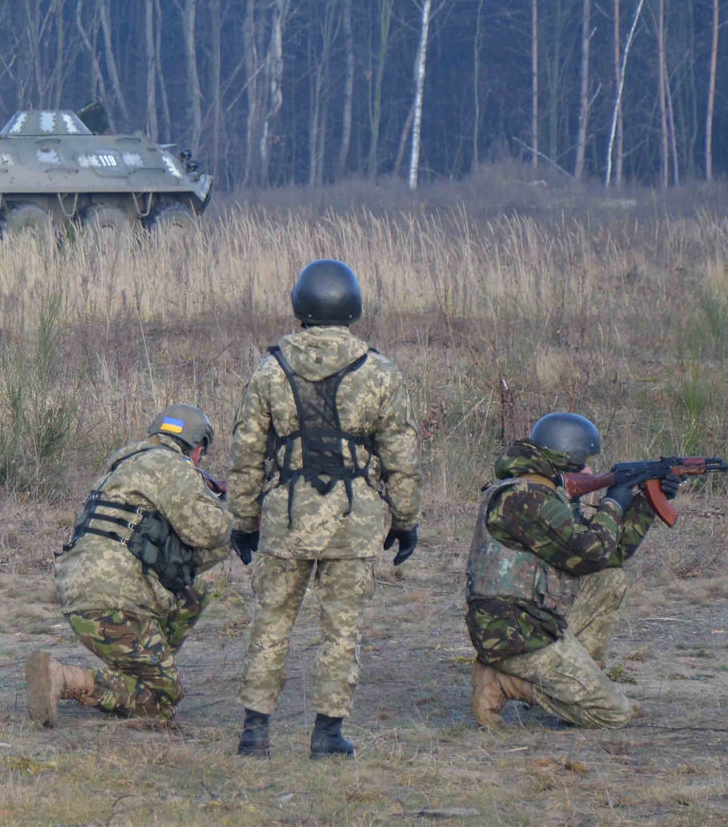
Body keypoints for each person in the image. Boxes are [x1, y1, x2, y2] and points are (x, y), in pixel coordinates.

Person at [224, 259, 420, 759]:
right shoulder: (379, 372)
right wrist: (405, 519)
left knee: (271, 621)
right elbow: (401, 456)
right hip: (354, 521)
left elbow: (246, 455)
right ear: (352, 306)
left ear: (300, 306)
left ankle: (255, 732)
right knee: (341, 629)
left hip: (287, 517)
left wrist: (244, 522)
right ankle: (328, 733)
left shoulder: (270, 371)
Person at [31, 404, 232, 727]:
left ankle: (141, 667)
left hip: (80, 595)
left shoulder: (122, 466)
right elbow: (209, 531)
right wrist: (236, 513)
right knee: (161, 700)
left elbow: (171, 552)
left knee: (192, 591)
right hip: (114, 602)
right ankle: (67, 679)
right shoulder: (171, 467)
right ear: (198, 448)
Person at [466, 412, 667, 730]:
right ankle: (505, 682)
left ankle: (578, 685)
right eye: (585, 462)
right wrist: (613, 503)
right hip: (515, 634)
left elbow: (607, 558)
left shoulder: (538, 495)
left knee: (610, 580)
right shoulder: (526, 498)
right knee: (613, 713)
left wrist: (645, 504)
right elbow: (592, 549)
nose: (591, 471)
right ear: (566, 460)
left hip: (531, 622)